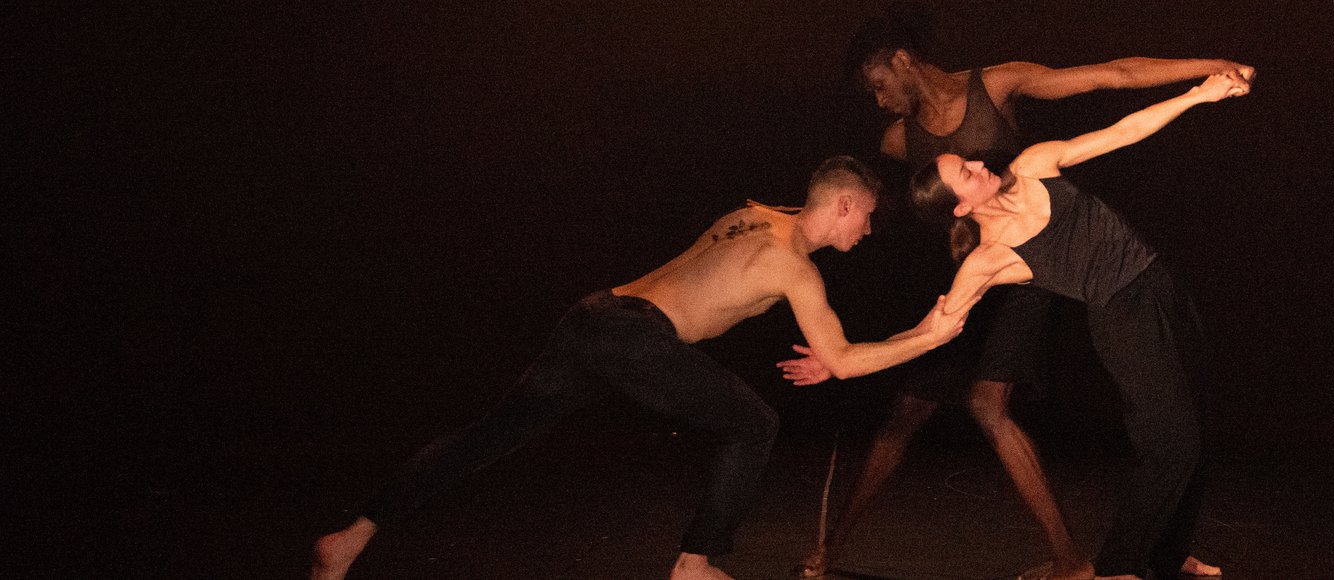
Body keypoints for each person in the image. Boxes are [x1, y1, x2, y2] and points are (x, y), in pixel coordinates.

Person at [310, 156, 974, 580]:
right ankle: (695, 563)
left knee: (488, 435)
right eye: (866, 220)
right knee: (753, 425)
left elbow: (734, 291)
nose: (865, 235)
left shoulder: (751, 216)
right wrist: (930, 333)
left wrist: (831, 362)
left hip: (594, 316)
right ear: (845, 205)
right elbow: (845, 359)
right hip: (634, 338)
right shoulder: (792, 264)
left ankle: (349, 538)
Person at [787, 6, 1252, 579]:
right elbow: (938, 325)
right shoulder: (989, 258)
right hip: (1120, 313)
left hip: (1159, 285)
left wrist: (1199, 94)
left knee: (1197, 427)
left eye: (970, 160)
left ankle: (1162, 554)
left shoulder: (1033, 164)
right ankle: (1114, 567)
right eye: (968, 170)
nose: (981, 164)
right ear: (962, 205)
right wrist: (840, 362)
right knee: (1169, 441)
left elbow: (1120, 130)